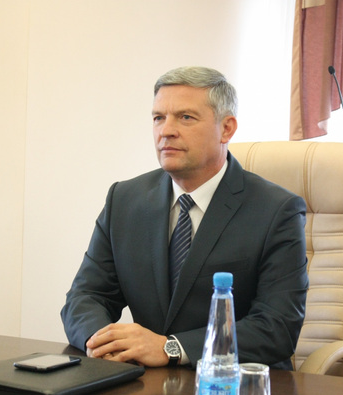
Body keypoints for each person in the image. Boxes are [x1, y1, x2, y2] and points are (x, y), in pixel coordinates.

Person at [61, 66, 308, 369]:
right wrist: (103, 343)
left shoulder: (277, 210)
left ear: (227, 128)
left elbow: (277, 326)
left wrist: (171, 348)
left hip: (233, 384)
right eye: (158, 118)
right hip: (144, 382)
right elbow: (85, 297)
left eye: (186, 117)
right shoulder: (124, 200)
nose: (166, 130)